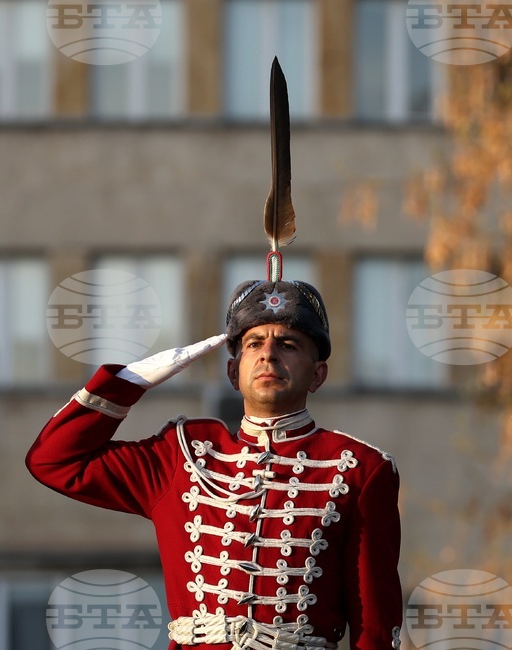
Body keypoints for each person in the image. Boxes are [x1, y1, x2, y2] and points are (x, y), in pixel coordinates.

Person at [27, 279, 403, 650]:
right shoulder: (182, 454)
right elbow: (54, 460)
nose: (268, 354)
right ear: (232, 372)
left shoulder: (359, 470)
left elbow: (376, 627)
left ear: (317, 375)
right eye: (254, 343)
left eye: (288, 345)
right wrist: (128, 383)